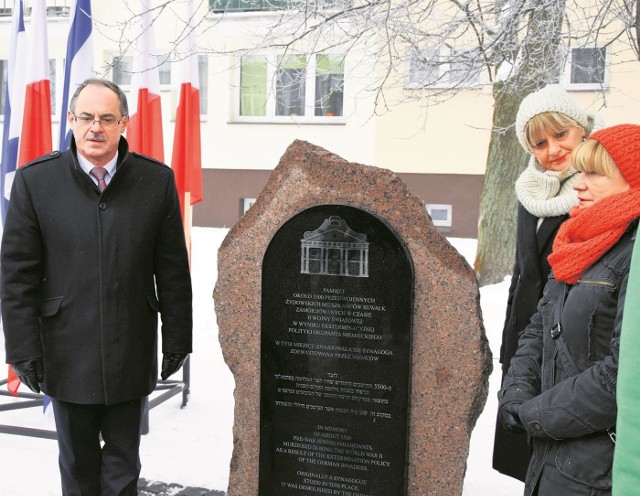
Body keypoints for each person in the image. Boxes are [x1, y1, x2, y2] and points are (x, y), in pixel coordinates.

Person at [1, 78, 193, 495]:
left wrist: (178, 337)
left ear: (124, 123)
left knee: (124, 469)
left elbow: (173, 269)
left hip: (131, 349)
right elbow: (17, 277)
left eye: (107, 118)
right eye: (86, 117)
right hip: (66, 352)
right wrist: (21, 350)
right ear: (70, 120)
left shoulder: (155, 181)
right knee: (78, 468)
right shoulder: (37, 182)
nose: (95, 128)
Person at [498, 123, 640, 495]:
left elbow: (622, 373)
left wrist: (535, 414)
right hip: (552, 460)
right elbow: (539, 327)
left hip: (600, 472)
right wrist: (515, 391)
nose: (578, 184)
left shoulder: (633, 254)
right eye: (580, 173)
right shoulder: (581, 241)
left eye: (594, 174)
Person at [493, 84, 603, 481]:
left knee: (563, 463)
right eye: (538, 142)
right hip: (526, 340)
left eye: (561, 135)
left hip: (571, 345)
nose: (552, 150)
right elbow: (524, 274)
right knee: (528, 463)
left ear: (582, 129)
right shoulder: (531, 190)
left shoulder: (600, 187)